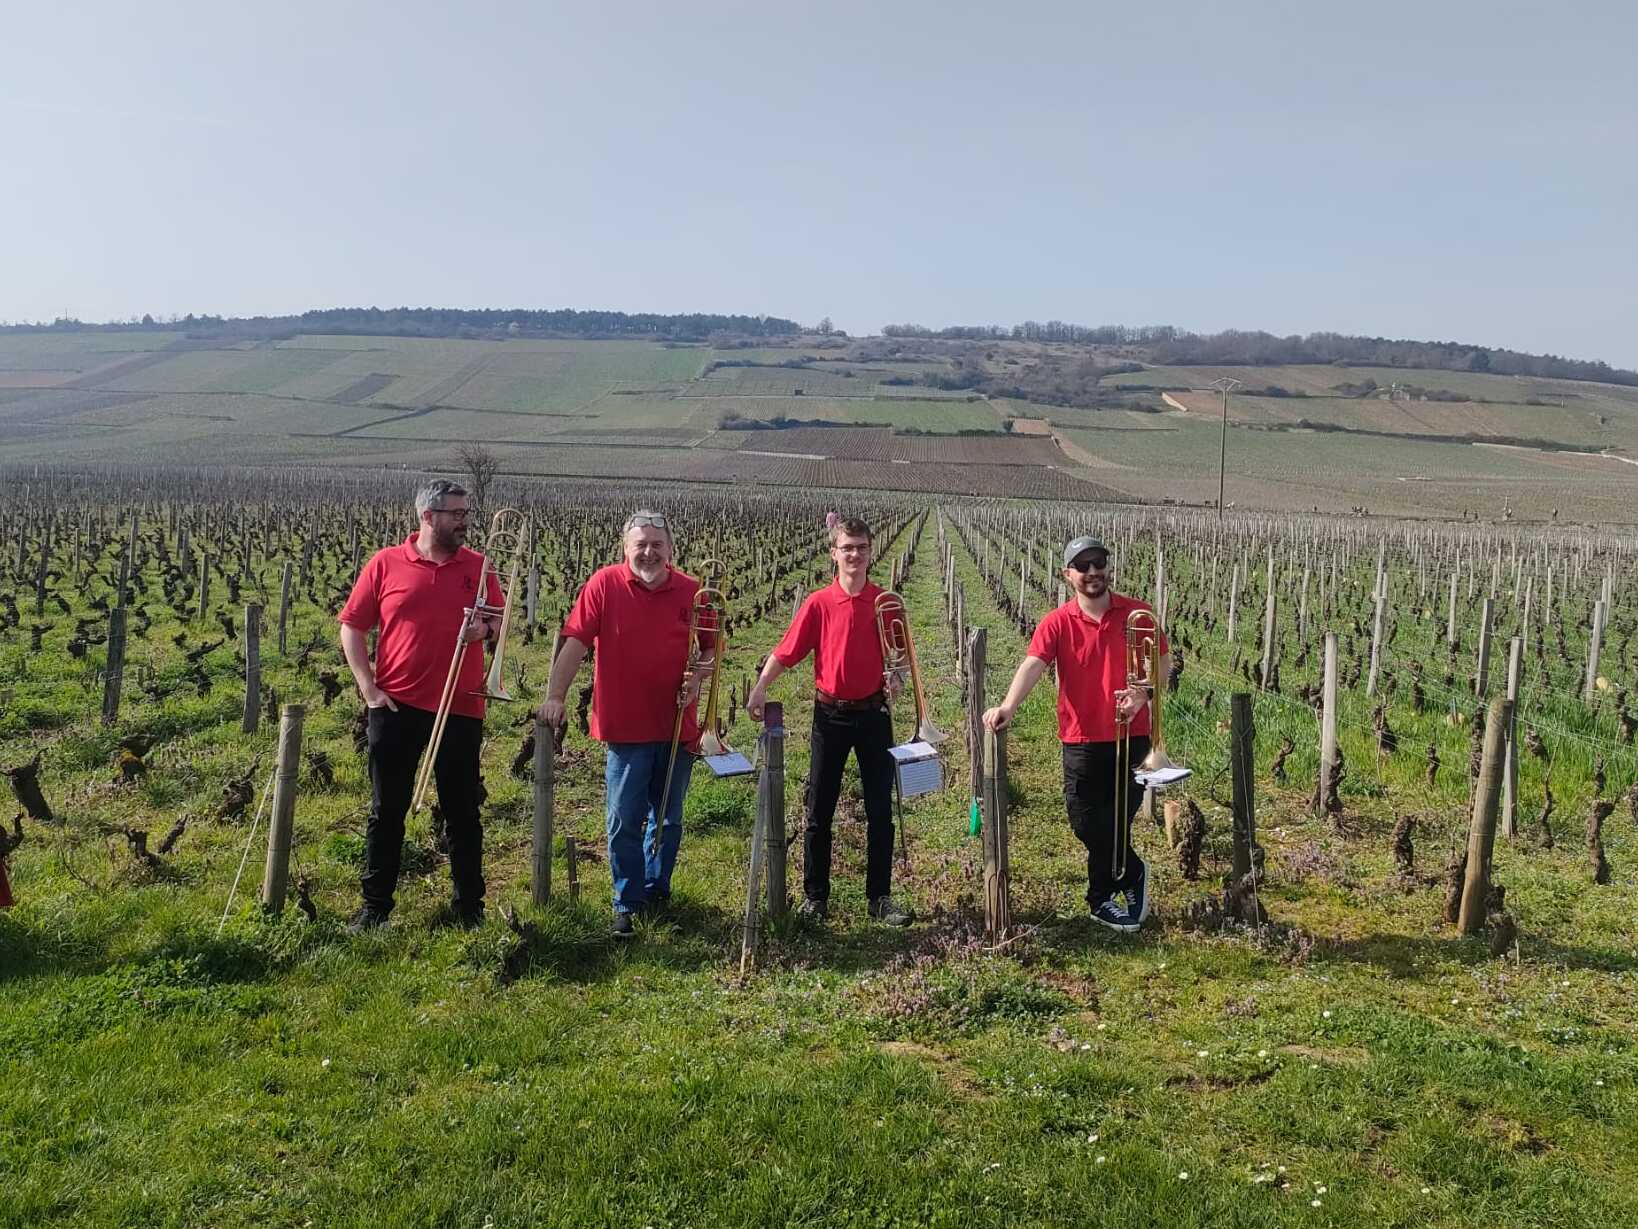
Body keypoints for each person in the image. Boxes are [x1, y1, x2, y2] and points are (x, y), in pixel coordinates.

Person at [982, 535, 1170, 934]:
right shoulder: (1057, 622)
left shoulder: (1139, 614)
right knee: (1086, 822)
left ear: (1107, 567)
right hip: (1081, 738)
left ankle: (1100, 899)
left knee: (1119, 820)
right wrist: (1008, 706)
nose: (1092, 572)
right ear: (1068, 575)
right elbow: (1034, 663)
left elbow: (1163, 663)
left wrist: (1144, 694)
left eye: (1098, 563)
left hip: (1132, 736)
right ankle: (1132, 872)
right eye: (1082, 566)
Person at [338, 479, 502, 932]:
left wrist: (482, 633)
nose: (464, 520)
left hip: (460, 707)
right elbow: (352, 627)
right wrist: (368, 689)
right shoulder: (386, 563)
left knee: (463, 811)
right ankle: (375, 909)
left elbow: (497, 622)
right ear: (427, 517)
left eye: (467, 513)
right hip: (396, 706)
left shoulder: (481, 567)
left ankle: (470, 908)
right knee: (386, 809)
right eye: (455, 513)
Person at [539, 510, 707, 937]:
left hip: (676, 726)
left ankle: (658, 890)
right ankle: (627, 902)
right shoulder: (604, 584)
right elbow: (576, 641)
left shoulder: (692, 591)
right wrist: (556, 695)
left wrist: (699, 680)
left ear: (670, 549)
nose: (649, 552)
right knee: (623, 819)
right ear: (625, 549)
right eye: (640, 545)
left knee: (668, 817)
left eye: (657, 544)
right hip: (625, 726)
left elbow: (711, 650)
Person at [746, 516, 912, 926]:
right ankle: (815, 898)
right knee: (819, 809)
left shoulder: (885, 602)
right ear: (833, 554)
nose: (854, 554)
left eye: (861, 547)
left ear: (871, 552)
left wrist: (899, 682)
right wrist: (760, 687)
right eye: (847, 547)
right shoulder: (818, 603)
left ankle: (880, 898)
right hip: (829, 717)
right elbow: (787, 651)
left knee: (879, 810)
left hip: (875, 716)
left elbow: (902, 661)